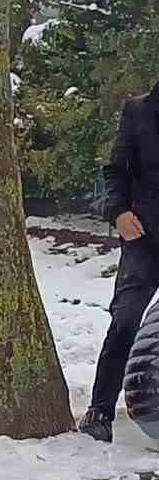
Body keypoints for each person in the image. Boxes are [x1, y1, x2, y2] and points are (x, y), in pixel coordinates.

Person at [79, 81, 159, 442]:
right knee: (125, 319)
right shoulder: (138, 110)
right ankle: (99, 411)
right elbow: (116, 170)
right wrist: (119, 214)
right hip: (144, 235)